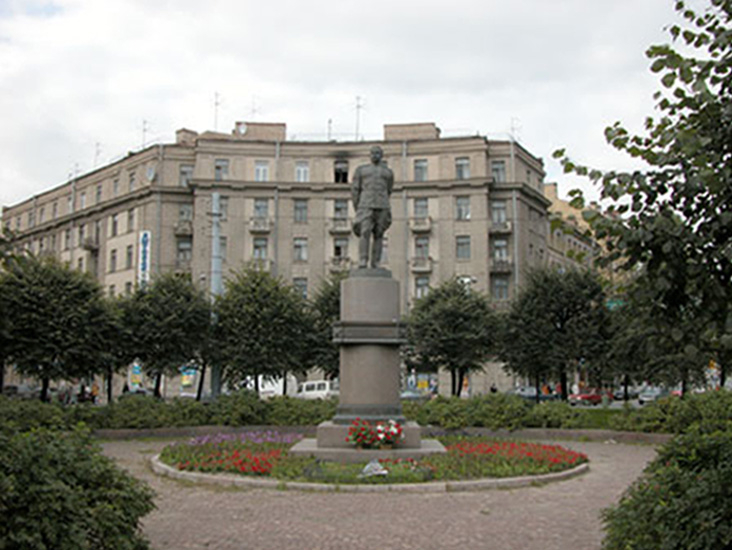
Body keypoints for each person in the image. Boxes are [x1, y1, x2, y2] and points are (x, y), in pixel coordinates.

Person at [351, 146, 394, 269]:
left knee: (379, 234)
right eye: (373, 153)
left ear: (382, 155)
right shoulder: (361, 170)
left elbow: (389, 189)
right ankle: (363, 260)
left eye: (378, 153)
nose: (375, 155)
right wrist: (358, 206)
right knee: (365, 232)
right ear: (369, 155)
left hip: (382, 205)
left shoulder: (388, 172)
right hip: (366, 205)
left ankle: (376, 262)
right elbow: (355, 189)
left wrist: (384, 201)